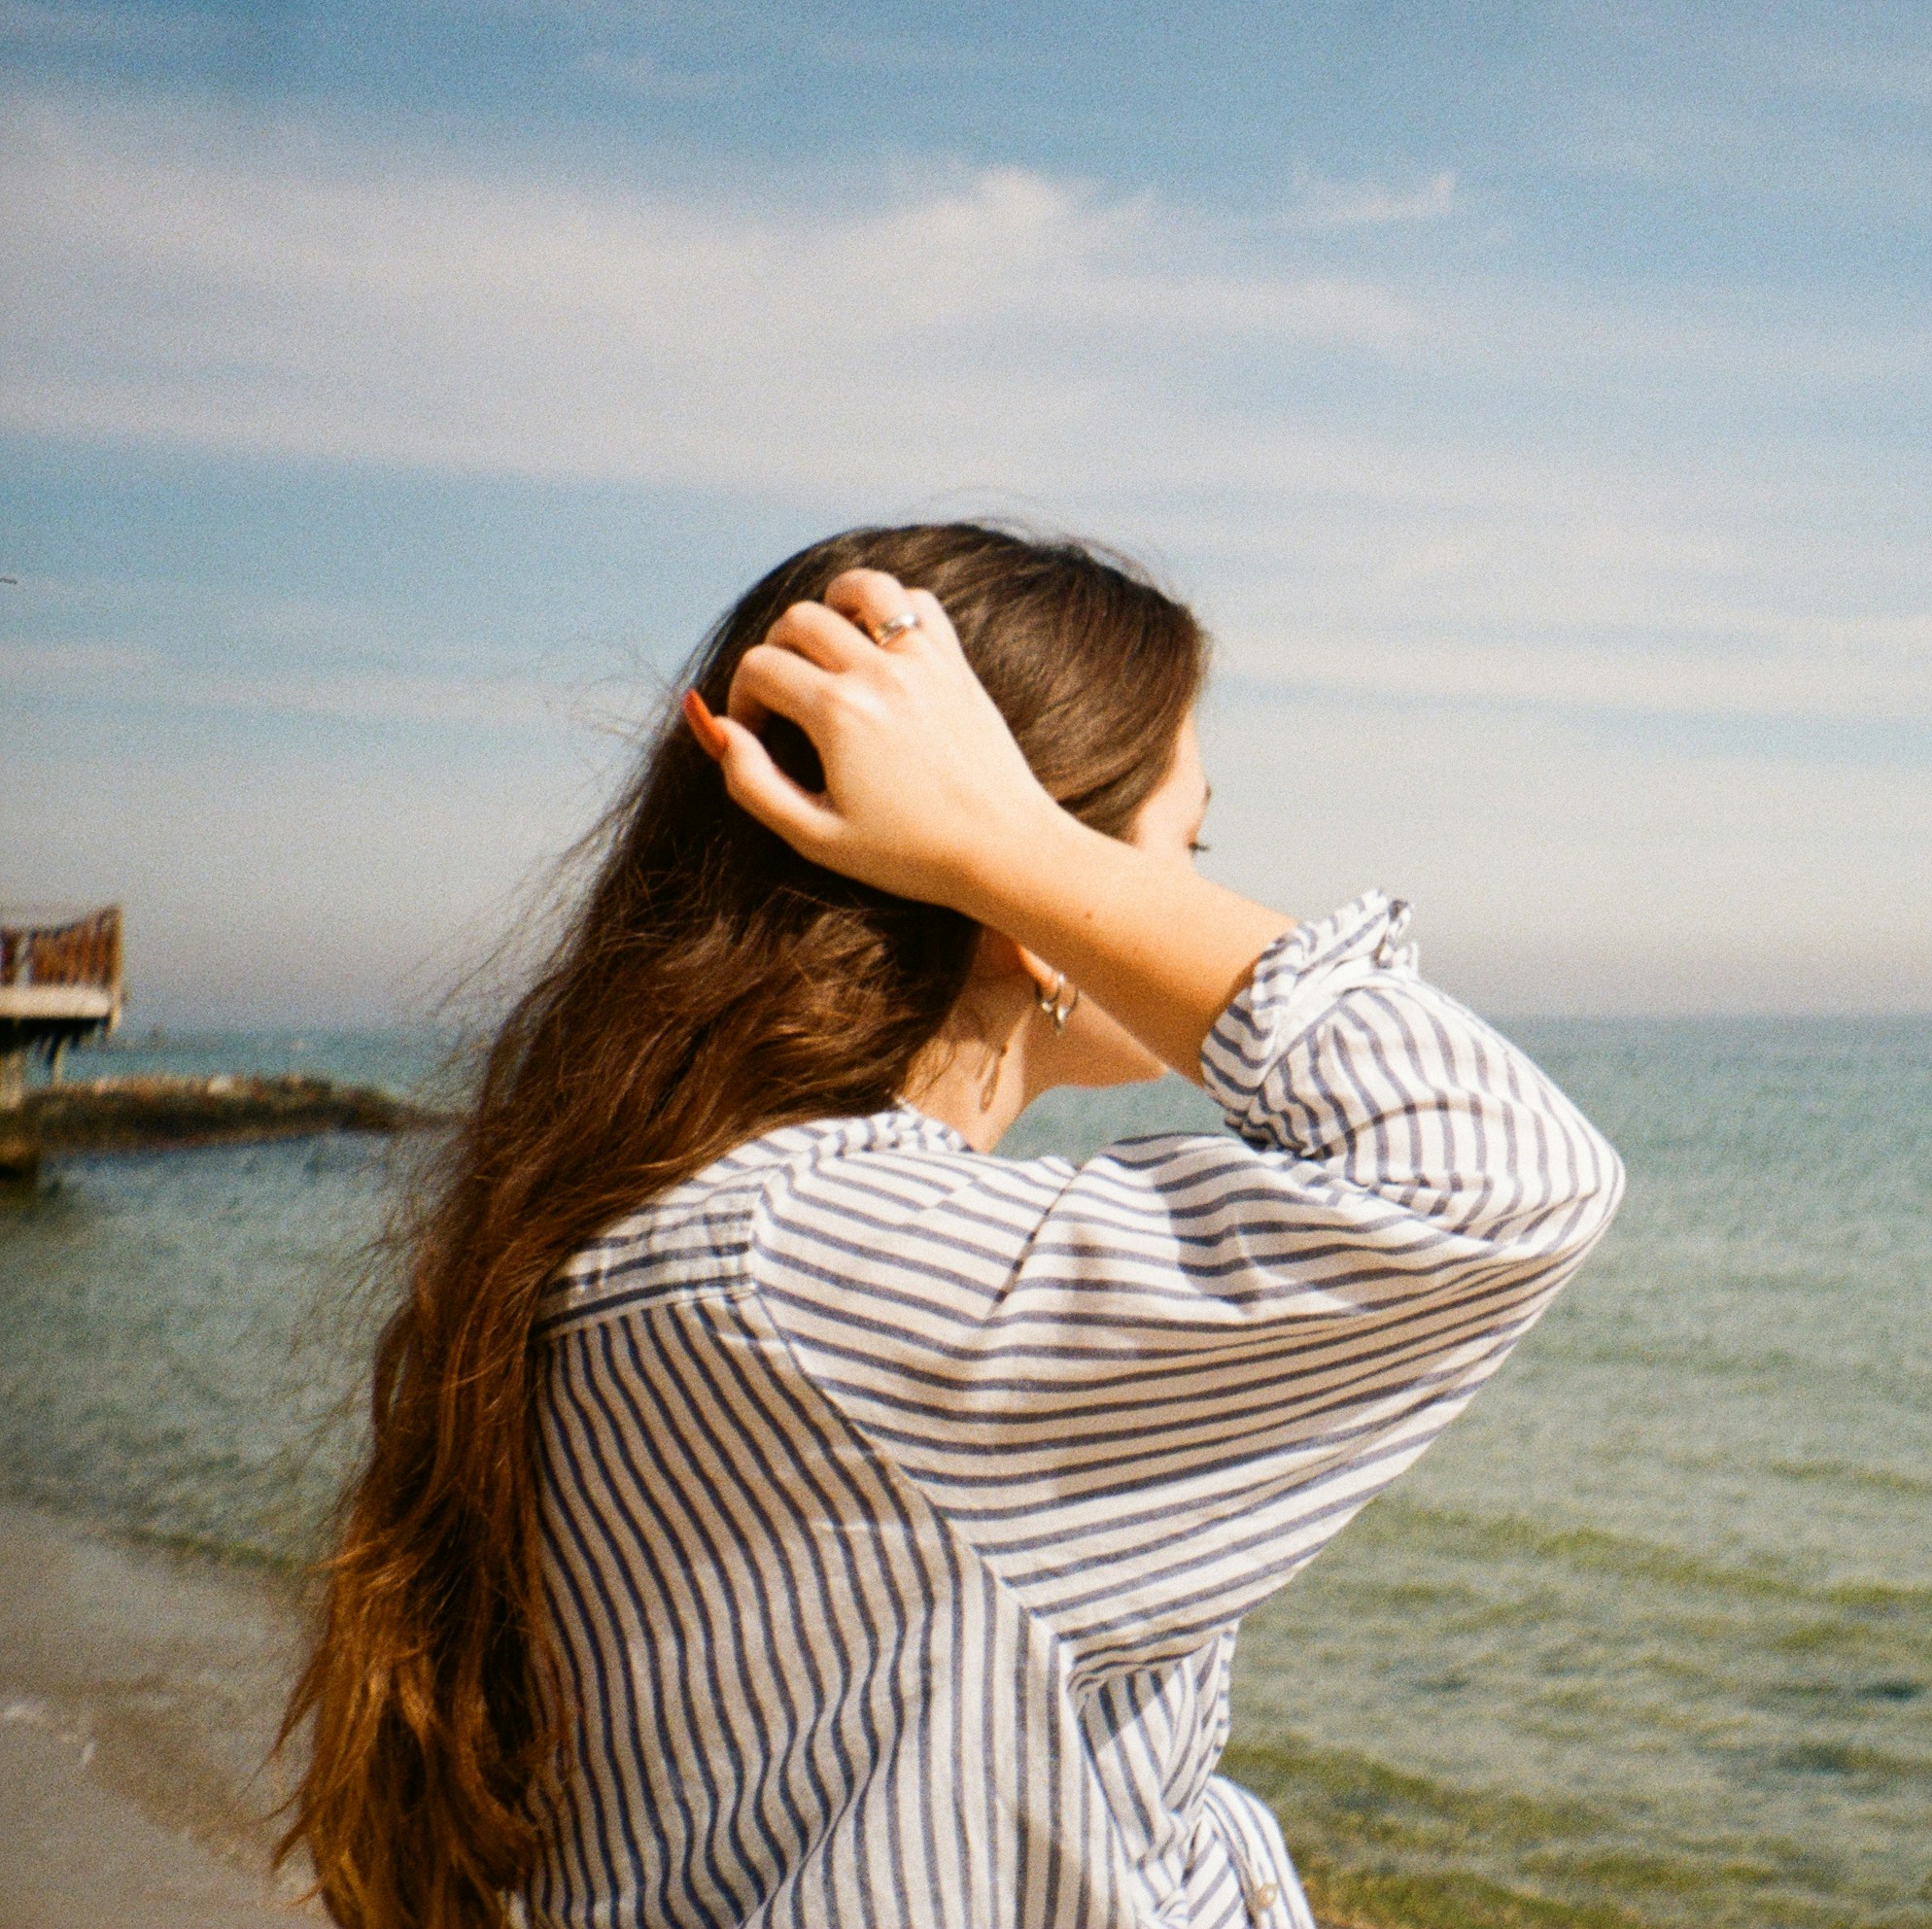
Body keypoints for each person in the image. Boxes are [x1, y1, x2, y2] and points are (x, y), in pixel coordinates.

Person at [279, 524, 1625, 1929]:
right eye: (1181, 847)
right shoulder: (832, 1274)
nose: (1177, 898)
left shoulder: (656, 1233)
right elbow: (1497, 1175)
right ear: (1008, 896)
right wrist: (1013, 844)